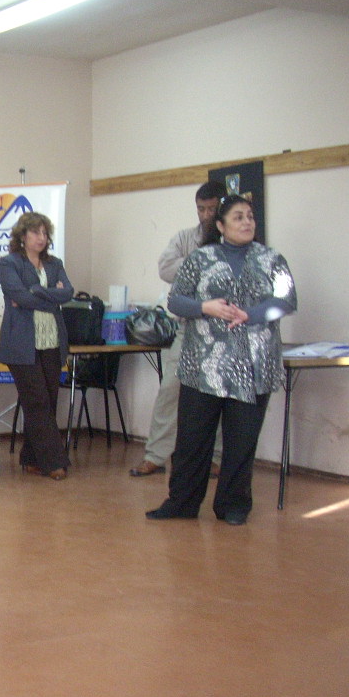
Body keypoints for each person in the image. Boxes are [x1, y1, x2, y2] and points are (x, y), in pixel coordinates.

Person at [146, 195, 297, 525]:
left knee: (241, 440)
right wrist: (206, 307)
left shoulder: (271, 258)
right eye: (238, 217)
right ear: (220, 225)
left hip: (254, 366)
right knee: (193, 439)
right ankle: (182, 503)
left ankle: (233, 505)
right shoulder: (201, 258)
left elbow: (286, 300)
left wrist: (251, 314)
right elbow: (177, 301)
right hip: (204, 365)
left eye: (250, 217)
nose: (247, 222)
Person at [129, 180, 227, 477]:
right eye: (201, 209)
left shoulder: (234, 243)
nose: (206, 215)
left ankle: (215, 457)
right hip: (189, 328)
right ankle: (156, 455)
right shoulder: (185, 238)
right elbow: (165, 268)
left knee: (220, 394)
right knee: (170, 390)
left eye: (212, 209)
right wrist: (203, 263)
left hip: (224, 332)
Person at [0, 212, 73, 480]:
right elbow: (18, 296)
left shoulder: (54, 263)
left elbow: (69, 293)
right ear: (22, 236)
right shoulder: (9, 263)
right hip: (20, 344)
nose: (42, 238)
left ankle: (31, 457)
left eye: (45, 233)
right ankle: (54, 461)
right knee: (37, 400)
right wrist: (52, 296)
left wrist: (37, 292)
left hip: (52, 340)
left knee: (46, 401)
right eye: (36, 233)